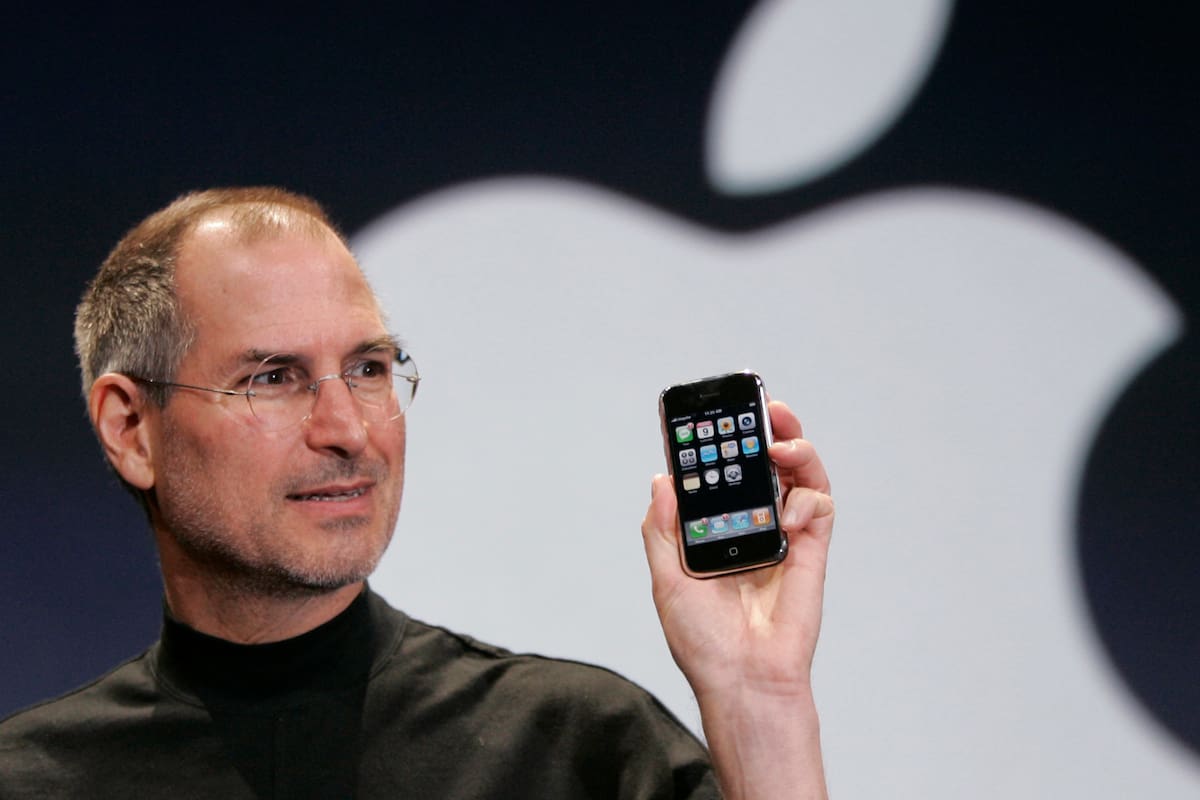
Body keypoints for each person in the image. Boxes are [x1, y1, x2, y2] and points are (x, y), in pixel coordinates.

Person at [0, 188, 834, 798]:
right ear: (130, 430)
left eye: (367, 369)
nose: (348, 429)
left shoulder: (575, 750)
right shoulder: (34, 780)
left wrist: (759, 698)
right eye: (273, 377)